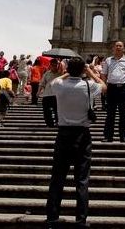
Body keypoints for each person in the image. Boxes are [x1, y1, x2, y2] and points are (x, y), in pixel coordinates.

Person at [45, 57, 106, 229]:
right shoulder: (88, 86)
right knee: (82, 180)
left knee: (57, 178)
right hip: (82, 135)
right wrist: (90, 72)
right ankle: (80, 220)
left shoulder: (59, 85)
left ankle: (51, 218)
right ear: (82, 71)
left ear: (67, 69)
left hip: (63, 134)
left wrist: (66, 73)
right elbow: (104, 86)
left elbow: (55, 80)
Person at [101, 41, 125, 143]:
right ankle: (108, 136)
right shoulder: (108, 60)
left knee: (123, 115)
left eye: (120, 46)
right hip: (111, 88)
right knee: (110, 114)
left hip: (123, 89)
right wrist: (104, 85)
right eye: (116, 46)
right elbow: (103, 74)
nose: (118, 47)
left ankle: (124, 136)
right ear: (113, 48)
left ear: (124, 49)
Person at [38, 59, 63, 127]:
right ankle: (50, 124)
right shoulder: (47, 73)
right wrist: (38, 91)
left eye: (56, 65)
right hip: (47, 94)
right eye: (53, 65)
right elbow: (42, 83)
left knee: (57, 110)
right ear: (50, 65)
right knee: (46, 111)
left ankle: (58, 122)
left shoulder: (61, 74)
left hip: (57, 95)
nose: (54, 66)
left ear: (58, 65)